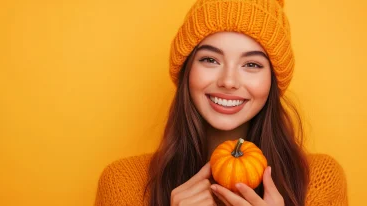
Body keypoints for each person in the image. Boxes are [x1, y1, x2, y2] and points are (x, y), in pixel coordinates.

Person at [95, 0, 348, 205]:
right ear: (187, 70)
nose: (228, 81)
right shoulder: (123, 183)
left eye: (251, 64)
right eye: (210, 60)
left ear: (272, 80)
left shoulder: (319, 181)